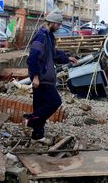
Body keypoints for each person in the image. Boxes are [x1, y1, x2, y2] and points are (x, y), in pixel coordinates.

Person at [26, 9, 77, 143]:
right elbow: (32, 57)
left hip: (45, 77)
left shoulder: (49, 36)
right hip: (42, 78)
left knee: (39, 105)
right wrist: (35, 76)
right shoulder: (41, 36)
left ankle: (37, 136)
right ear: (52, 22)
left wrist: (67, 58)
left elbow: (53, 54)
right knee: (55, 102)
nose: (59, 27)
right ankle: (30, 119)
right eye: (58, 24)